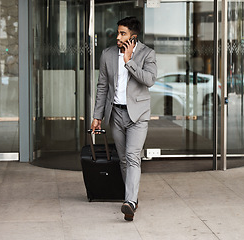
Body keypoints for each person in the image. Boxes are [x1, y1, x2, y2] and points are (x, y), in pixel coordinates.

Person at [91, 16, 157, 221]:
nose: (117, 37)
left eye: (122, 34)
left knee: (132, 156)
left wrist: (129, 62)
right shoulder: (107, 54)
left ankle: (130, 201)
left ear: (133, 37)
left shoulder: (147, 54)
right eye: (118, 32)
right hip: (116, 114)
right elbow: (102, 87)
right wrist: (97, 116)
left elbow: (150, 80)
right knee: (123, 160)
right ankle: (131, 198)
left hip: (138, 115)